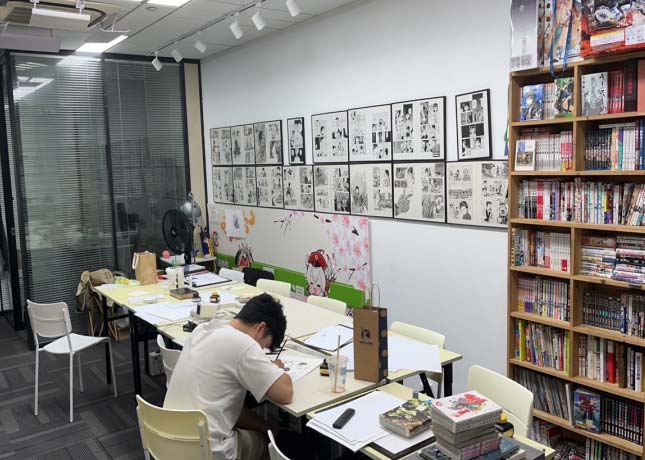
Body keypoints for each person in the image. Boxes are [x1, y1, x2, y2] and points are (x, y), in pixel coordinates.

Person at [164, 294, 293, 460]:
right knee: (270, 444)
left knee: (254, 425)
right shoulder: (244, 344)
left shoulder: (202, 330)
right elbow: (285, 393)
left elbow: (227, 409)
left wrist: (268, 426)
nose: (261, 351)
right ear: (261, 328)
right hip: (207, 451)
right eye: (265, 346)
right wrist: (275, 368)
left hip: (166, 441)